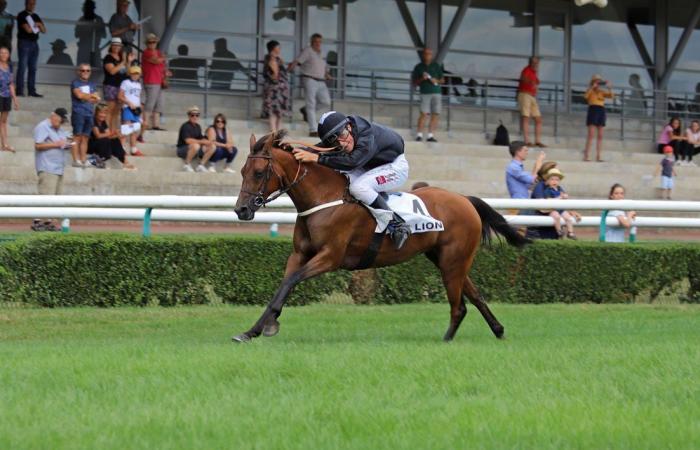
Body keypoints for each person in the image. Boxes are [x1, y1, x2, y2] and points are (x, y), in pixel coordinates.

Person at [292, 111, 412, 250]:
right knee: (338, 177)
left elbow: (353, 162)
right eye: (334, 141)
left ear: (349, 126)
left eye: (342, 136)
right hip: (369, 165)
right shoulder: (344, 130)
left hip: (394, 167)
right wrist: (293, 151)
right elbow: (319, 148)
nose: (341, 143)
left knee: (358, 187)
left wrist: (317, 158)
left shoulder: (366, 135)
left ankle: (398, 225)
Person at [32, 108, 74, 231]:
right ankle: (38, 221)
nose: (61, 123)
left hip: (58, 167)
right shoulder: (43, 126)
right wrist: (56, 144)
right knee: (45, 195)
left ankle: (48, 223)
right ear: (54, 116)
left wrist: (67, 144)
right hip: (47, 166)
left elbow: (66, 140)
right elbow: (38, 145)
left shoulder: (59, 129)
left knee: (55, 197)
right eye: (61, 120)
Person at [288, 33, 331, 137]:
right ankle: (313, 129)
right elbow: (298, 61)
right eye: (316, 41)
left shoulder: (322, 53)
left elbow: (323, 66)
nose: (318, 44)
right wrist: (290, 69)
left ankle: (305, 110)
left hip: (321, 80)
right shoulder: (308, 50)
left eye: (319, 42)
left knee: (326, 102)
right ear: (312, 41)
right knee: (311, 104)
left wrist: (326, 74)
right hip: (310, 79)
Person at [70, 63, 100, 167]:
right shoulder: (75, 82)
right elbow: (79, 95)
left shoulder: (93, 84)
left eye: (88, 70)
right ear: (79, 72)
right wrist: (91, 96)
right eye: (83, 70)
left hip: (89, 113)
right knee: (77, 136)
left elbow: (96, 100)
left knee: (85, 137)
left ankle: (83, 159)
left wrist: (88, 96)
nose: (85, 72)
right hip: (78, 112)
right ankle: (75, 160)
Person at [88, 102, 134, 169]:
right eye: (101, 113)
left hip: (100, 144)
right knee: (106, 141)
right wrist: (113, 133)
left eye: (104, 113)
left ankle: (125, 162)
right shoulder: (93, 121)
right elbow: (98, 135)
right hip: (91, 145)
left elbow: (109, 135)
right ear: (96, 113)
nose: (103, 115)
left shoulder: (103, 122)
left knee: (115, 140)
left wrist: (117, 135)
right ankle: (97, 160)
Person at [411, 48, 443, 143]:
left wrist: (435, 80)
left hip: (436, 92)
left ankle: (431, 135)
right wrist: (422, 78)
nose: (427, 55)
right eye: (426, 53)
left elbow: (442, 80)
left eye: (429, 54)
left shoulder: (436, 66)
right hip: (425, 93)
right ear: (423, 55)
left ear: (431, 55)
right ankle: (419, 135)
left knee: (435, 114)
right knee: (424, 114)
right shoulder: (418, 67)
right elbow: (415, 82)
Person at [16, 0, 46, 98]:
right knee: (22, 67)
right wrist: (36, 25)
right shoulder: (21, 15)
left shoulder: (36, 16)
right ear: (26, 4)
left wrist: (39, 24)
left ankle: (31, 91)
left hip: (34, 44)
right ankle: (19, 91)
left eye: (34, 4)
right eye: (30, 3)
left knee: (33, 68)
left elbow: (44, 30)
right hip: (24, 43)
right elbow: (28, 30)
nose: (32, 5)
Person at [103, 37, 133, 131]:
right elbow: (112, 71)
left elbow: (129, 73)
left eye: (118, 45)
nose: (116, 47)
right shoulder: (108, 57)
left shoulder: (121, 58)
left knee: (116, 112)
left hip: (121, 88)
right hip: (111, 86)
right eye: (114, 45)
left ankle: (113, 133)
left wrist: (128, 62)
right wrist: (123, 62)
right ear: (111, 46)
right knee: (110, 111)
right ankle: (107, 132)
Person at [583, 74, 614, 162]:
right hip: (593, 109)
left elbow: (611, 96)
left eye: (599, 81)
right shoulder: (590, 90)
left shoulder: (601, 91)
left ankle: (598, 156)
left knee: (600, 135)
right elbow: (585, 97)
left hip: (601, 110)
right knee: (591, 135)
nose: (598, 82)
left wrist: (609, 87)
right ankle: (586, 155)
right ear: (593, 82)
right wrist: (592, 87)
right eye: (596, 81)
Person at [141, 33, 168, 131]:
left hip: (159, 80)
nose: (152, 44)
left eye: (154, 42)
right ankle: (145, 123)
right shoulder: (146, 52)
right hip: (151, 80)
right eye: (150, 42)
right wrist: (163, 58)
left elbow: (162, 65)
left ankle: (155, 125)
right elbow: (156, 61)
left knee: (159, 104)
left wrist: (165, 74)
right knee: (150, 103)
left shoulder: (158, 52)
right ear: (147, 44)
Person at [262, 40, 290, 132]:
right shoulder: (272, 59)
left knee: (278, 112)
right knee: (274, 111)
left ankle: (276, 132)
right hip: (275, 89)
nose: (279, 49)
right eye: (278, 47)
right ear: (273, 49)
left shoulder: (275, 59)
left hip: (279, 89)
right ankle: (274, 131)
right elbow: (275, 75)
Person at [517, 56, 545, 148]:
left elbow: (537, 82)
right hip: (525, 95)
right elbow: (523, 78)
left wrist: (535, 83)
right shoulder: (526, 70)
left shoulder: (533, 72)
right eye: (534, 62)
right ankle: (527, 140)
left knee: (538, 119)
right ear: (530, 62)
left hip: (532, 96)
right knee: (526, 117)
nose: (536, 64)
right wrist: (531, 82)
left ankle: (537, 141)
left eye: (537, 63)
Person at [176, 105, 214, 172]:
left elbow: (201, 138)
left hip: (194, 149)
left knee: (212, 146)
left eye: (197, 115)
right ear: (189, 116)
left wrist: (208, 142)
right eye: (192, 115)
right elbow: (188, 141)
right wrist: (203, 142)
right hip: (182, 149)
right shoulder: (185, 126)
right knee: (196, 145)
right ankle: (186, 164)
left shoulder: (198, 126)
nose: (195, 117)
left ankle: (201, 165)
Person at [542, 168, 577, 239]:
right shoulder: (547, 190)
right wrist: (559, 198)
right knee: (556, 217)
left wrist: (565, 196)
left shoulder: (560, 189)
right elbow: (548, 200)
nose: (554, 181)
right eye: (552, 179)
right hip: (552, 209)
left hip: (560, 209)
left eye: (557, 180)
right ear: (548, 181)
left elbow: (564, 195)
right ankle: (559, 231)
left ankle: (570, 232)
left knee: (568, 218)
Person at [118, 64, 143, 157]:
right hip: (127, 108)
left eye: (137, 73)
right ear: (130, 74)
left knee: (134, 129)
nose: (135, 75)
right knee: (126, 128)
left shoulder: (139, 84)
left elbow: (138, 97)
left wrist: (140, 110)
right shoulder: (125, 82)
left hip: (136, 109)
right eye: (133, 73)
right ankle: (122, 149)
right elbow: (120, 96)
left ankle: (133, 149)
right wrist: (128, 103)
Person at [75, 0, 106, 68]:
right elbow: (76, 34)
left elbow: (104, 34)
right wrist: (87, 30)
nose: (87, 10)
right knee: (81, 69)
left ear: (93, 8)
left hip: (95, 49)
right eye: (86, 8)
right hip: (83, 49)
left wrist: (96, 29)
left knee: (96, 71)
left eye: (89, 8)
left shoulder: (98, 19)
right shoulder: (81, 20)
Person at [0, 45, 17, 153]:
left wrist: (15, 99)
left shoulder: (10, 67)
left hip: (7, 97)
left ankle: (4, 144)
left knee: (3, 121)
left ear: (9, 55)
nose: (3, 55)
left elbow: (11, 84)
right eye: (1, 52)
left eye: (5, 53)